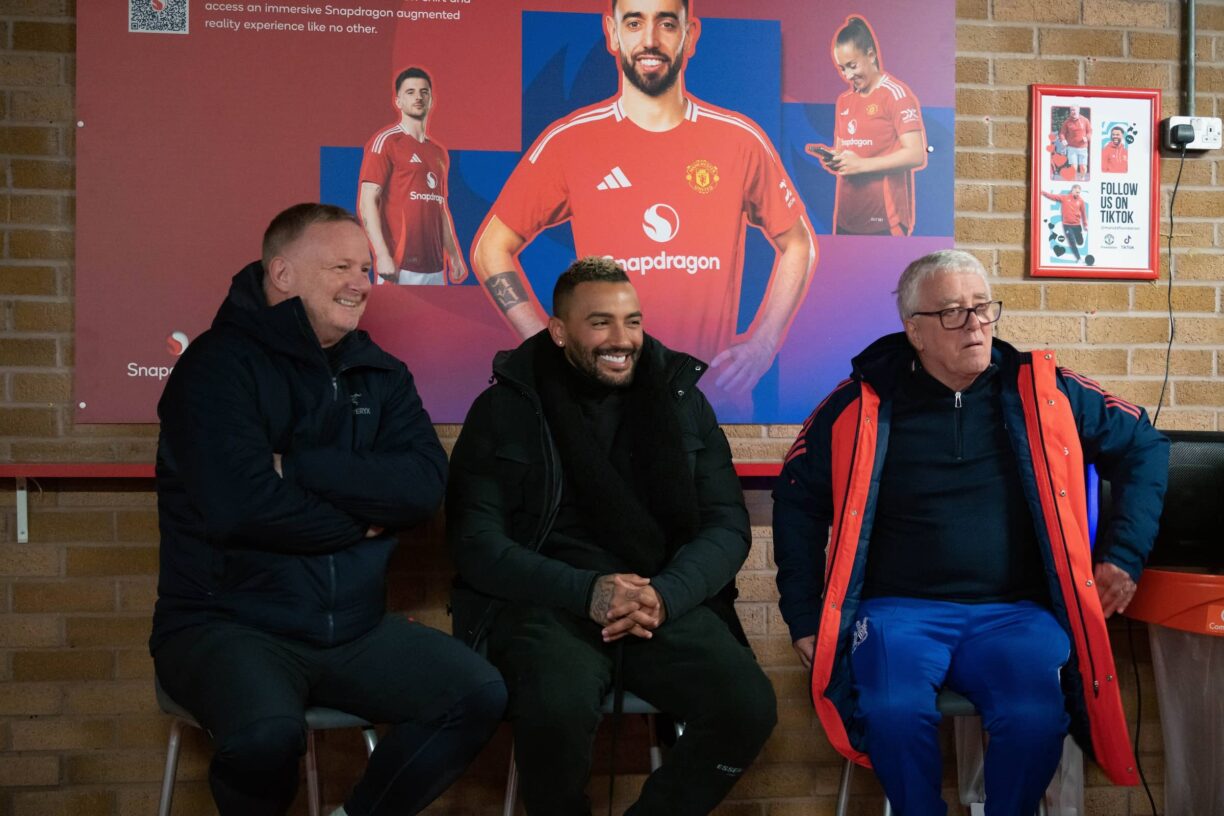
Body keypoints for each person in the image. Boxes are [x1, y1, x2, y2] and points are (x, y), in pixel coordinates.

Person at [773, 249, 1168, 816]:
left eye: (983, 308)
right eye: (954, 313)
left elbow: (1146, 447)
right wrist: (804, 616)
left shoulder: (1044, 388)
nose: (977, 325)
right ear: (914, 330)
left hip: (1015, 612)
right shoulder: (858, 403)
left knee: (1036, 718)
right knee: (889, 712)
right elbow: (796, 500)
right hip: (897, 613)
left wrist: (1124, 557)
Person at [152, 203, 505, 816]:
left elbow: (423, 488)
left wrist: (303, 468)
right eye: (341, 266)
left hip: (352, 629)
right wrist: (361, 526)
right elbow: (241, 506)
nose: (362, 283)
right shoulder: (215, 368)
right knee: (266, 737)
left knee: (476, 692)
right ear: (282, 273)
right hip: (229, 626)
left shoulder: (381, 373)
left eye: (366, 268)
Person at [447, 256, 777, 815]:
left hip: (659, 598)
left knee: (747, 706)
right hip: (548, 602)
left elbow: (727, 524)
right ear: (558, 331)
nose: (621, 339)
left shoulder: (682, 401)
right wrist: (586, 591)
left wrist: (664, 595)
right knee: (554, 711)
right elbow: (476, 543)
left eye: (632, 321)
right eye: (600, 322)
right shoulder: (504, 409)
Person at [471, 0, 817, 415]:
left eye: (666, 23)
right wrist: (546, 346)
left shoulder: (739, 140)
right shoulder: (570, 142)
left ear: (690, 35)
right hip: (604, 407)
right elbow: (491, 247)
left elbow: (799, 242)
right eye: (634, 23)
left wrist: (764, 343)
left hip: (710, 408)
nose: (649, 39)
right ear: (612, 32)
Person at [817, 15, 927, 236]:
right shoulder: (844, 101)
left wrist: (861, 165)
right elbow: (845, 150)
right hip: (845, 220)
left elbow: (917, 155)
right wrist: (836, 159)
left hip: (884, 221)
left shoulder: (896, 94)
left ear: (871, 54)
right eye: (842, 68)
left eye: (852, 66)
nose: (848, 75)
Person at [359, 67, 468, 286]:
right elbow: (367, 201)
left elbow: (440, 206)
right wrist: (381, 255)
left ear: (431, 100)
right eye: (410, 92)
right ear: (398, 101)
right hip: (400, 266)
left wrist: (454, 255)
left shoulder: (438, 152)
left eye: (423, 92)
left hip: (436, 267)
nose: (418, 97)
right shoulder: (386, 142)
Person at [1041, 185, 1088, 262]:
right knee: (1072, 241)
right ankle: (1078, 258)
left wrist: (1085, 225)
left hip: (1077, 225)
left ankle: (1079, 238)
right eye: (1077, 192)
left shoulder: (1081, 201)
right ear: (1072, 190)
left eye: (1079, 192)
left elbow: (1083, 213)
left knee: (1080, 242)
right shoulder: (1064, 198)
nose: (1078, 194)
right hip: (1067, 225)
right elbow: (1052, 196)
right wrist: (1043, 193)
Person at [1058, 107, 1092, 181]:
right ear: (1070, 112)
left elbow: (1090, 132)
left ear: (1078, 111)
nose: (1073, 112)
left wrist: (1087, 138)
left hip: (1083, 147)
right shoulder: (1067, 122)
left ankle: (1082, 178)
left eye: (1075, 110)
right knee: (1074, 167)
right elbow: (1062, 133)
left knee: (1083, 167)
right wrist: (1063, 140)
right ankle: (1074, 181)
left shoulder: (1085, 120)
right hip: (1072, 148)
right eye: (1071, 110)